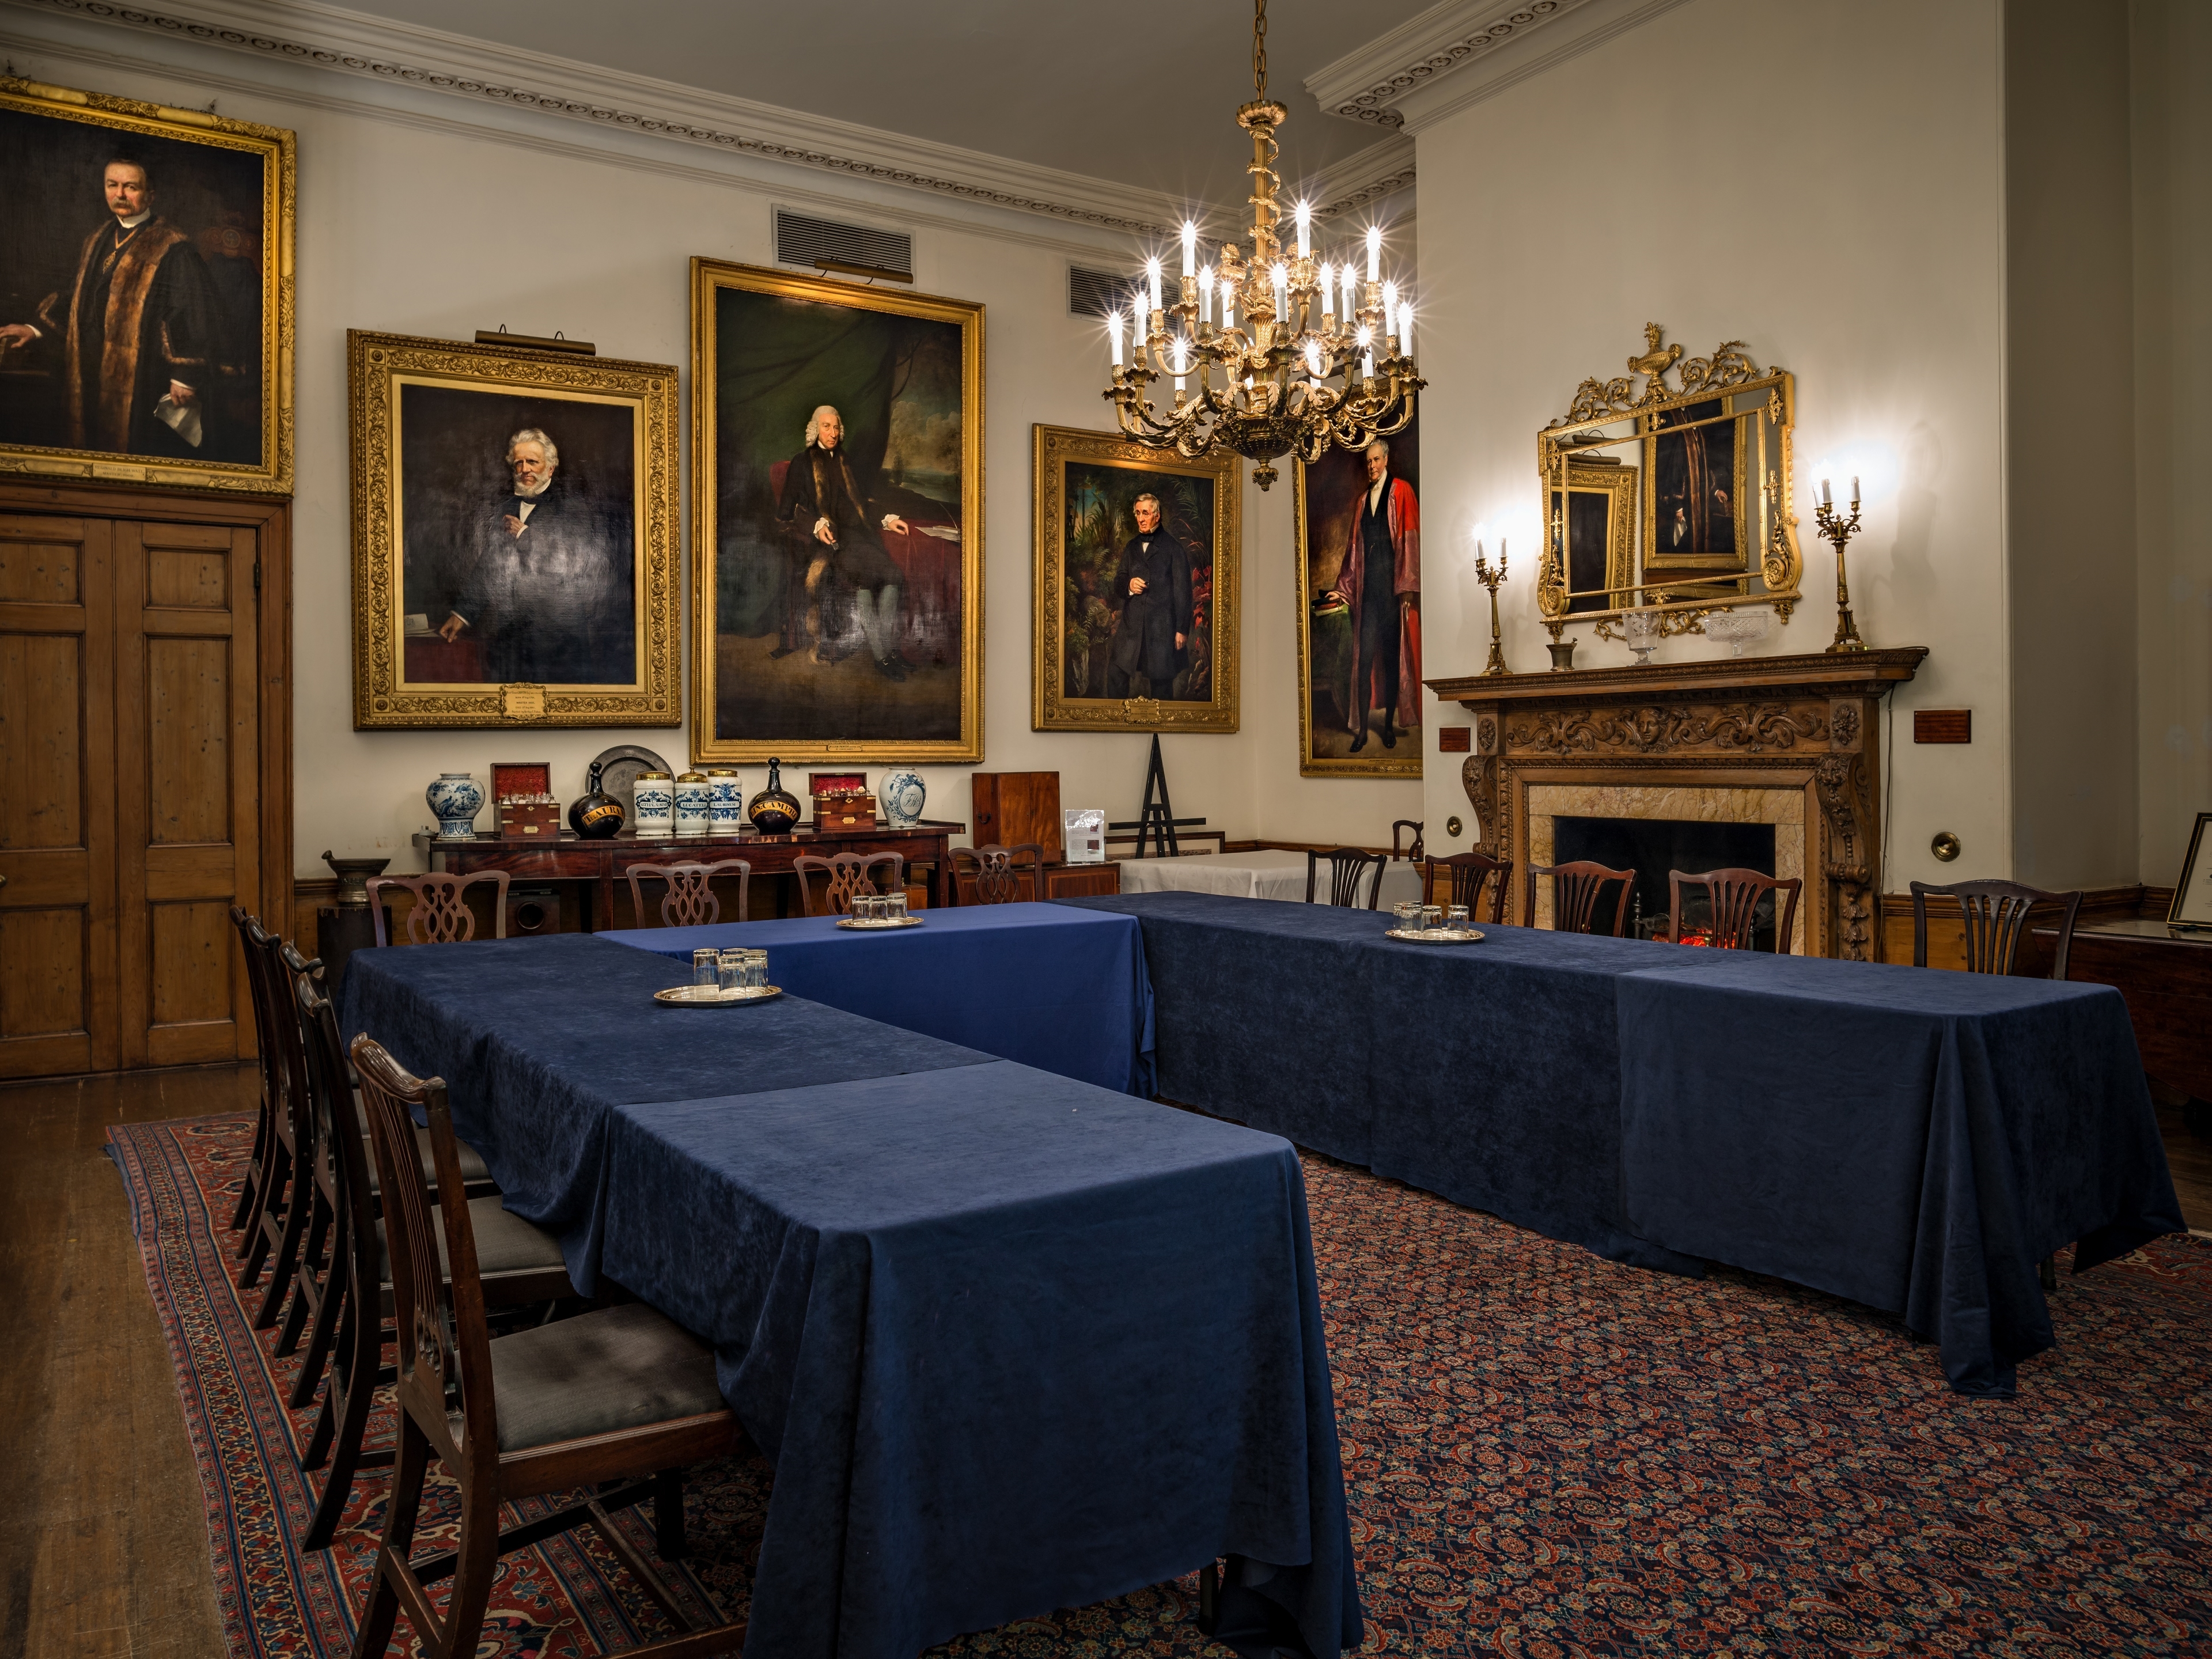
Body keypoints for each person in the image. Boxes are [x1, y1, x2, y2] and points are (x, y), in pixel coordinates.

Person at [0, 154, 225, 458]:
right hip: (90, 371)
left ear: (150, 194)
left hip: (143, 378)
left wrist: (184, 377)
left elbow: (193, 313)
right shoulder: (98, 238)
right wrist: (34, 328)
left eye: (130, 187)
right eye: (112, 185)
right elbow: (77, 297)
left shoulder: (174, 248)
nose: (119, 194)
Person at [437, 428, 632, 684]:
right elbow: (490, 568)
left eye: (533, 462)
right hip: (513, 636)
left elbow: (576, 563)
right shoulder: (507, 508)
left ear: (550, 468)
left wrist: (524, 535)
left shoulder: (573, 506)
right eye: (519, 463)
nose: (525, 469)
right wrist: (461, 615)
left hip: (558, 639)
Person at [772, 405, 912, 681]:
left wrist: (886, 519)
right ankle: (882, 657)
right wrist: (816, 525)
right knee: (863, 580)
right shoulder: (801, 463)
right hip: (830, 541)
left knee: (893, 576)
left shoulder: (846, 462)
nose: (833, 433)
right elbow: (788, 512)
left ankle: (890, 652)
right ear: (815, 430)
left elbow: (860, 505)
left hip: (859, 535)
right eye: (827, 427)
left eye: (836, 427)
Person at [1331, 438, 1421, 751]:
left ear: (1386, 459)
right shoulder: (1361, 502)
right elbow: (1353, 553)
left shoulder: (1402, 491)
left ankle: (1388, 727)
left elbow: (1410, 539)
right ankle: (1362, 733)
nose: (1371, 466)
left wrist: (1407, 587)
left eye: (1375, 460)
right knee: (1364, 658)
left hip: (1393, 594)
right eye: (1367, 462)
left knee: (1393, 659)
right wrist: (1342, 589)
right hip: (1369, 594)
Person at [1105, 493, 1193, 699]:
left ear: (1157, 516)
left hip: (1161, 630)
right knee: (1115, 675)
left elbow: (1184, 593)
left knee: (1161, 686)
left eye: (1146, 513)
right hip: (1131, 628)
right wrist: (1129, 584)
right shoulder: (1132, 547)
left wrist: (1182, 629)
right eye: (1138, 513)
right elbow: (1118, 583)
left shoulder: (1174, 549)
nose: (1141, 518)